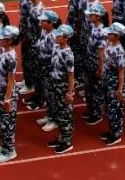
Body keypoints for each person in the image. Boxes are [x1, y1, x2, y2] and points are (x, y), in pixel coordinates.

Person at [43, 24, 76, 154]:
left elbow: (71, 75)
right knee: (56, 112)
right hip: (53, 84)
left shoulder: (68, 54)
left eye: (59, 35)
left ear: (66, 38)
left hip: (62, 86)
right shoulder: (56, 47)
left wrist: (69, 92)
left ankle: (67, 142)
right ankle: (62, 137)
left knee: (65, 115)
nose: (56, 36)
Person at [0, 26, 20, 163]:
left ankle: (10, 151)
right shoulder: (3, 51)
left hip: (6, 95)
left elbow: (11, 80)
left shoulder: (11, 57)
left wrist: (7, 100)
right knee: (2, 122)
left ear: (10, 41)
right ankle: (4, 146)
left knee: (7, 124)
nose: (0, 39)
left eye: (3, 38)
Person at [100, 23, 125, 146]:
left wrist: (120, 90)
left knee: (114, 108)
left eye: (110, 33)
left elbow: (121, 72)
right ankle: (112, 130)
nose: (107, 34)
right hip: (107, 79)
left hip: (114, 82)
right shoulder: (109, 45)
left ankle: (116, 134)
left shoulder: (120, 52)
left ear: (116, 36)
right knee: (108, 107)